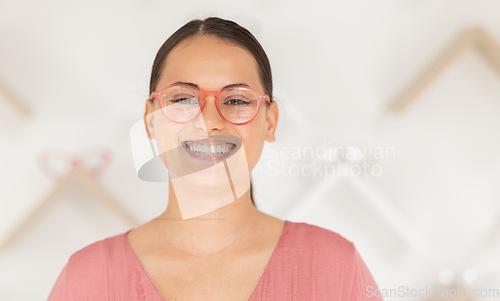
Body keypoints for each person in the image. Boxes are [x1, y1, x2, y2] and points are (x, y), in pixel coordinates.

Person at [48, 17, 383, 300]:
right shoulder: (85, 280)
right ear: (151, 120)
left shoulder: (335, 267)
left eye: (237, 100)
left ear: (270, 120)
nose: (209, 120)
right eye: (183, 99)